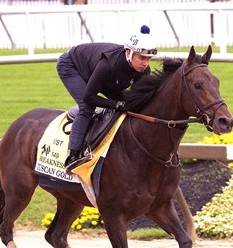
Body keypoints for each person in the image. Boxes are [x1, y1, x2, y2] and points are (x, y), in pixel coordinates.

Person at [56, 25, 157, 173]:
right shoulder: (108, 65)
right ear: (129, 53)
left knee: (129, 105)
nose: (145, 63)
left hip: (100, 73)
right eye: (142, 58)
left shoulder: (143, 70)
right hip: (71, 65)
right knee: (87, 107)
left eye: (148, 59)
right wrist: (116, 104)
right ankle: (72, 156)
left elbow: (137, 101)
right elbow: (89, 97)